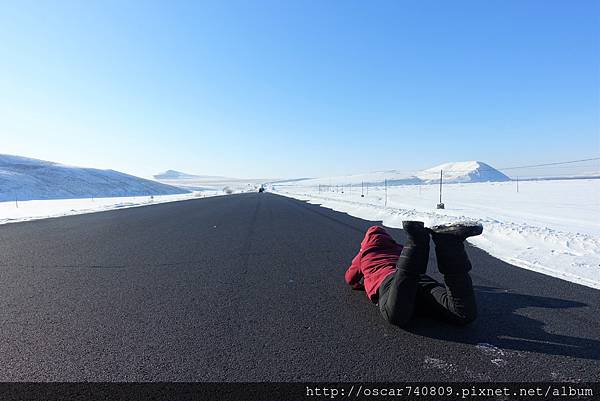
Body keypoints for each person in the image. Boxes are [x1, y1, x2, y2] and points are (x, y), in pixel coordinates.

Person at [345, 221, 482, 327]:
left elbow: (350, 278)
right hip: (420, 280)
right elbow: (412, 260)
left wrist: (360, 284)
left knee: (396, 316)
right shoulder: (399, 248)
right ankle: (449, 243)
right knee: (462, 313)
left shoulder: (364, 253)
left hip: (388, 281)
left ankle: (418, 240)